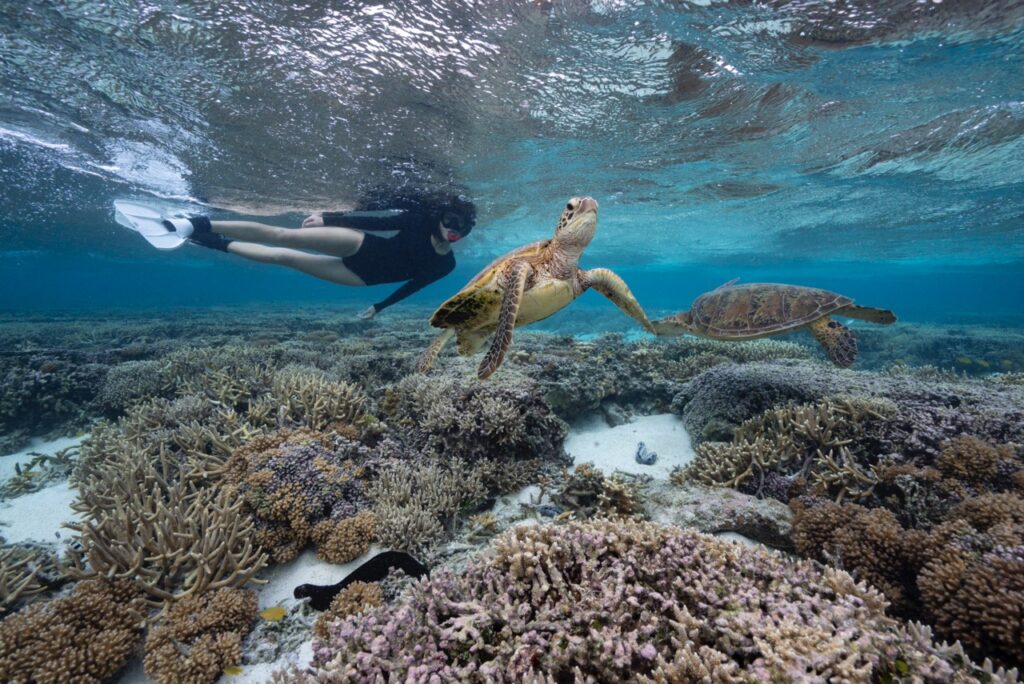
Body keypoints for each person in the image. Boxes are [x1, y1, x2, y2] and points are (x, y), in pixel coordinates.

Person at [114, 195, 476, 319]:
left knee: (283, 257)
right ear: (440, 216)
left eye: (462, 227)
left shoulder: (447, 265)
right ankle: (193, 224)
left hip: (361, 277)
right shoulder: (416, 221)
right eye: (450, 221)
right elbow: (375, 220)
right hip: (361, 245)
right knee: (284, 235)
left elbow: (413, 286)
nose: (453, 230)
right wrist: (330, 218)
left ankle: (206, 242)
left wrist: (380, 307)